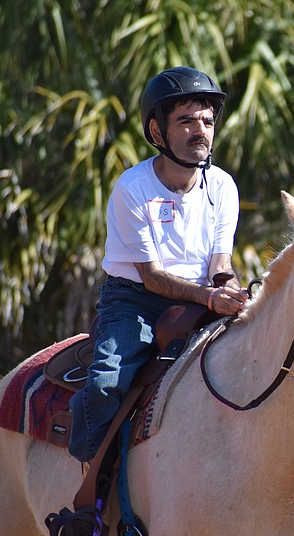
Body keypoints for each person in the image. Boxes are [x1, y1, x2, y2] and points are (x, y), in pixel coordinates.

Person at [68, 66, 249, 463]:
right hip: (134, 301)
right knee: (106, 383)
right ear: (156, 133)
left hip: (204, 298)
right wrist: (212, 296)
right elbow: (151, 277)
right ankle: (84, 477)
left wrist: (232, 290)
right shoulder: (132, 189)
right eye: (185, 121)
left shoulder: (222, 186)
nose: (200, 130)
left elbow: (220, 262)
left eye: (206, 120)